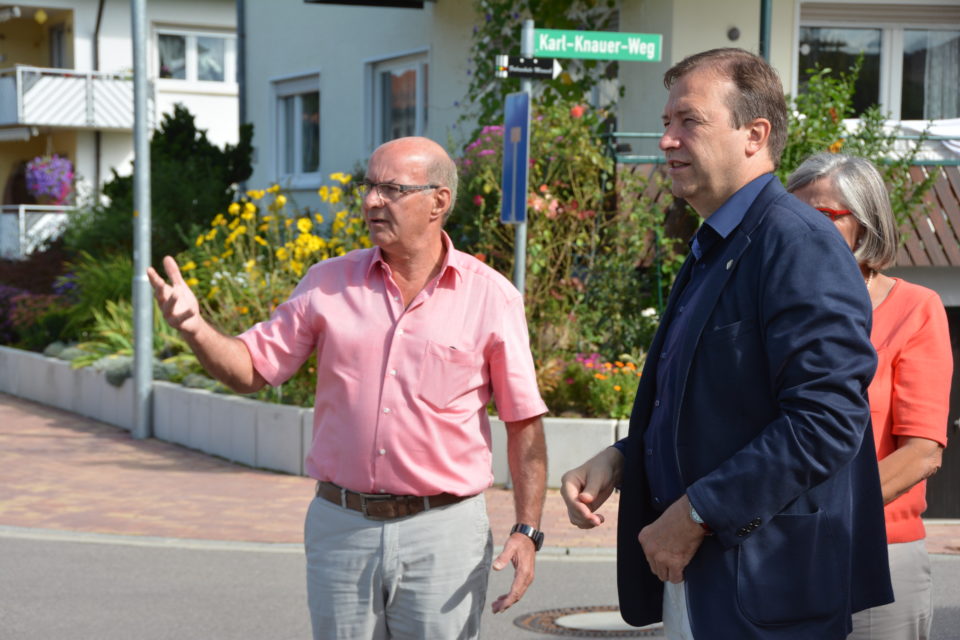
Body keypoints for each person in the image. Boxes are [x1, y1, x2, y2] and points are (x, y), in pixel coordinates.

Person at [147, 136, 548, 640]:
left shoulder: (491, 297)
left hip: (443, 533)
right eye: (369, 186)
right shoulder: (326, 283)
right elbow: (252, 369)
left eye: (391, 189)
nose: (372, 200)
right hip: (342, 527)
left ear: (438, 202)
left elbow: (523, 422)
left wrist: (526, 529)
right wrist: (194, 328)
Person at [560, 48, 893, 639]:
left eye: (689, 120)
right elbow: (719, 407)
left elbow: (827, 420)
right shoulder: (718, 243)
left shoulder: (797, 242)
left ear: (754, 135)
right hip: (711, 583)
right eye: (666, 122)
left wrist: (696, 514)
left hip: (765, 592)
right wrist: (624, 457)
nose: (667, 140)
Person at [787, 153, 952, 640]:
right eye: (793, 214)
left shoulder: (914, 308)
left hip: (873, 551)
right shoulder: (778, 307)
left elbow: (922, 453)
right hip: (776, 552)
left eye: (823, 215)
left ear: (865, 223)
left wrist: (821, 513)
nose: (802, 229)